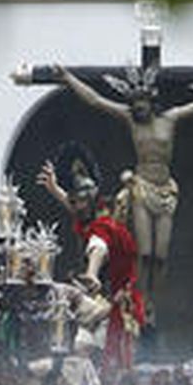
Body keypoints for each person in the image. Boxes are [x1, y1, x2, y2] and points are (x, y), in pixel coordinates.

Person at [53, 66, 193, 291]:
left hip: (166, 190)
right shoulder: (130, 120)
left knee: (160, 255)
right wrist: (68, 78)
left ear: (151, 101)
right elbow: (96, 100)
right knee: (145, 252)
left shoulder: (170, 118)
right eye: (134, 103)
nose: (138, 107)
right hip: (141, 187)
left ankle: (152, 305)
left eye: (142, 102)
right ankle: (138, 299)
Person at [37, 156, 146, 371]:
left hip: (116, 308)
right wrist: (54, 188)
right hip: (100, 306)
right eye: (74, 201)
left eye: (80, 201)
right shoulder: (91, 222)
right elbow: (74, 207)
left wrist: (92, 273)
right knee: (80, 351)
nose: (75, 206)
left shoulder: (104, 228)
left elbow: (99, 247)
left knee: (100, 359)